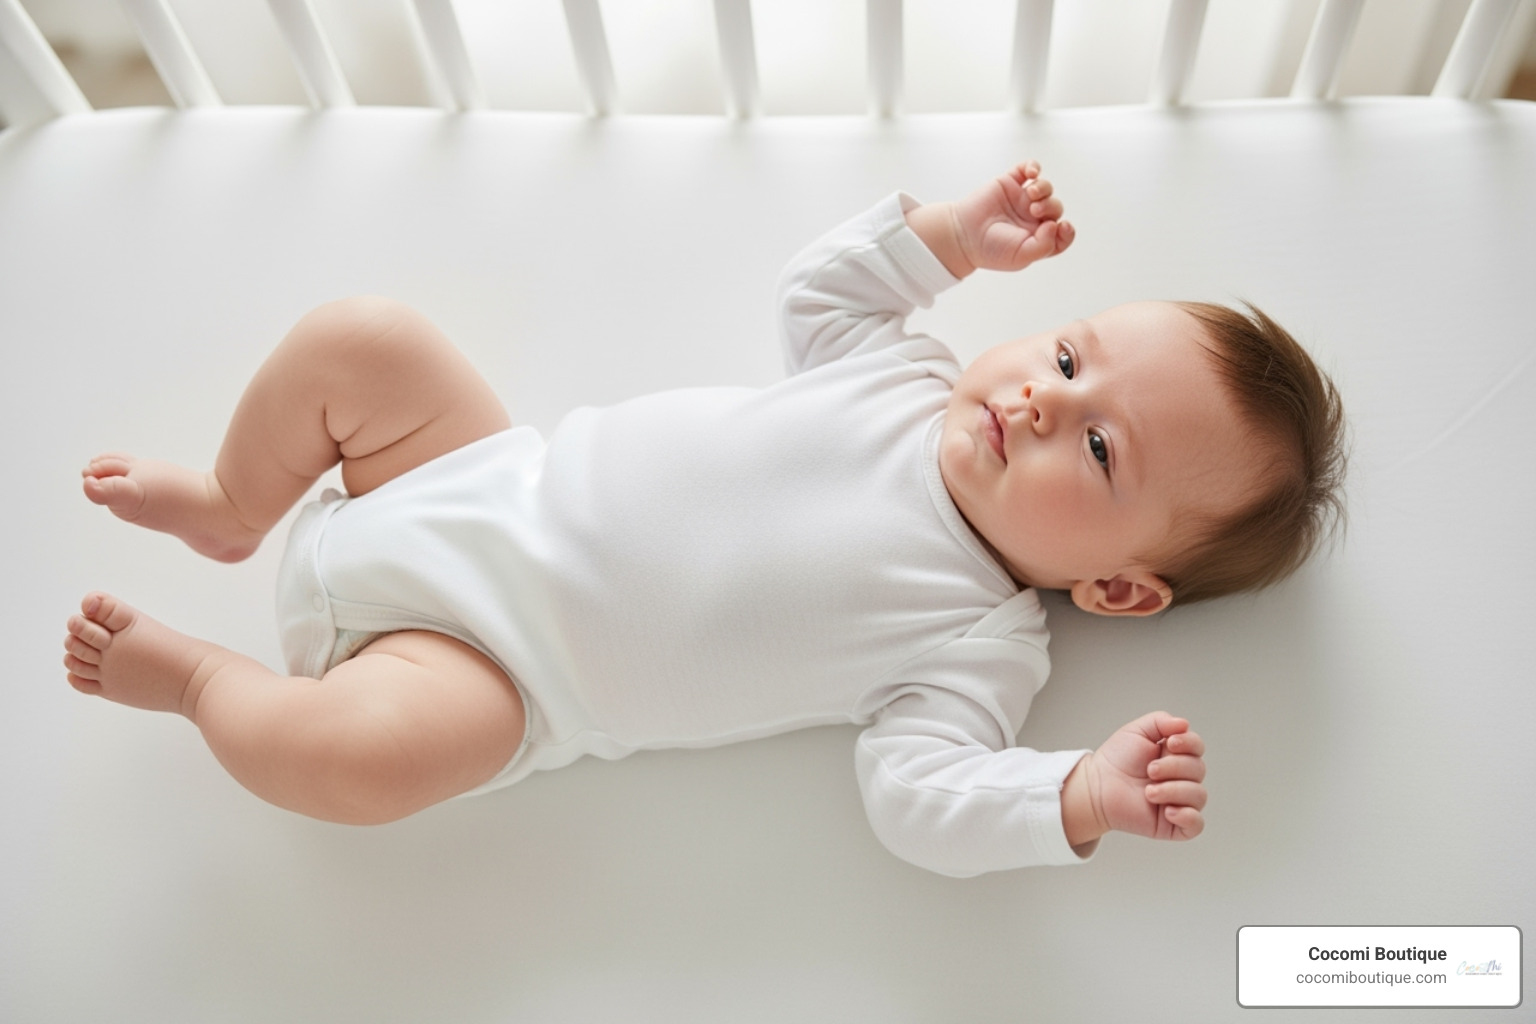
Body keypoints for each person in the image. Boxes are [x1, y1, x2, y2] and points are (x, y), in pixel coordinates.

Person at [61, 162, 1345, 877]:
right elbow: (819, 292)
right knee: (364, 338)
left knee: (360, 770)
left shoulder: (978, 644)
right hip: (454, 474)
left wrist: (1070, 793)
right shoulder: (899, 376)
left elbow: (916, 798)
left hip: (485, 671)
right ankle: (238, 504)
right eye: (1069, 356)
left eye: (1103, 447)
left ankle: (194, 682)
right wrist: (954, 236)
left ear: (1119, 588)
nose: (1041, 402)